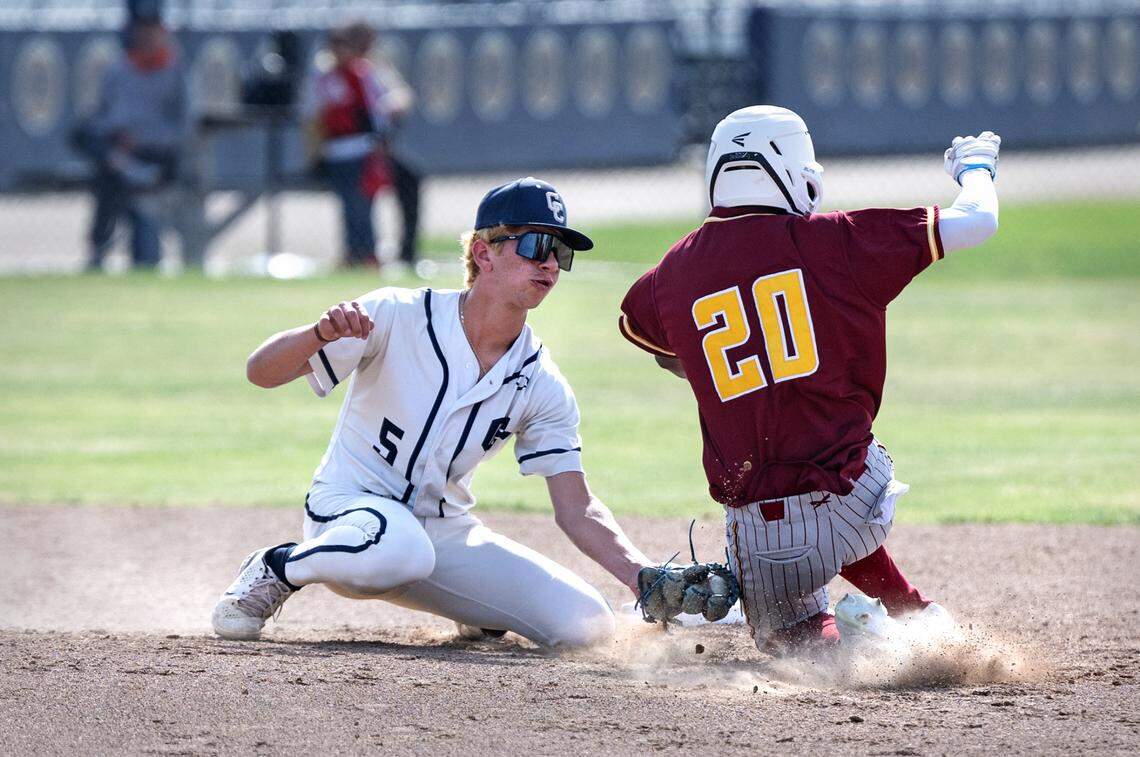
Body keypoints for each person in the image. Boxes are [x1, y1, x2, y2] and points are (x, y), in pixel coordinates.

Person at [617, 105, 1001, 652]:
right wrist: (977, 167)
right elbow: (978, 221)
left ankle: (855, 642)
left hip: (761, 531)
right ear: (798, 173)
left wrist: (723, 379)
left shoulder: (673, 270)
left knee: (793, 644)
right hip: (858, 496)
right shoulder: (837, 239)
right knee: (838, 465)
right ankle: (913, 615)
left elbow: (647, 334)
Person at [212, 177, 654, 647]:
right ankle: (279, 566)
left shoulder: (541, 381)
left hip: (443, 534)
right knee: (399, 549)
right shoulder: (396, 314)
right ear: (484, 254)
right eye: (535, 244)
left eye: (560, 252)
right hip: (348, 514)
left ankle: (470, 603)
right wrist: (317, 334)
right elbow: (260, 372)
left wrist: (641, 576)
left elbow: (577, 507)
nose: (549, 262)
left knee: (587, 628)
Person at [73, 2, 188, 271]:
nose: (147, 36)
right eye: (141, 29)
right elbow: (101, 118)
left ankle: (130, 171)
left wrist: (145, 138)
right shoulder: (118, 69)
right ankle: (99, 249)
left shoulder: (175, 72)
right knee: (89, 144)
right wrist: (117, 134)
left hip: (154, 153)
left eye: (152, 29)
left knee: (114, 180)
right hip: (118, 151)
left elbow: (183, 128)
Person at [305, 21, 419, 270]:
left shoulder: (367, 69)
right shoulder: (325, 74)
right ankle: (358, 254)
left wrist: (387, 115)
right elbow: (316, 116)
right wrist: (313, 155)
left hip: (368, 149)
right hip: (340, 151)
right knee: (354, 205)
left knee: (379, 195)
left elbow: (397, 98)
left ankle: (393, 254)